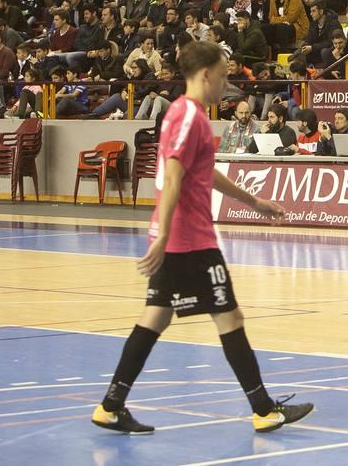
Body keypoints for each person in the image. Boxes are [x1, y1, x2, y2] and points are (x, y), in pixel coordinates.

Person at [91, 42, 312, 436]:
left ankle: (111, 405)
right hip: (190, 239)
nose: (227, 83)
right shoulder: (190, 116)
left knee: (155, 317)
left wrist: (254, 202)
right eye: (225, 75)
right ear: (206, 75)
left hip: (175, 235)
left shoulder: (183, 113)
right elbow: (174, 177)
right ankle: (262, 408)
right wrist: (166, 238)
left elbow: (204, 173)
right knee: (229, 316)